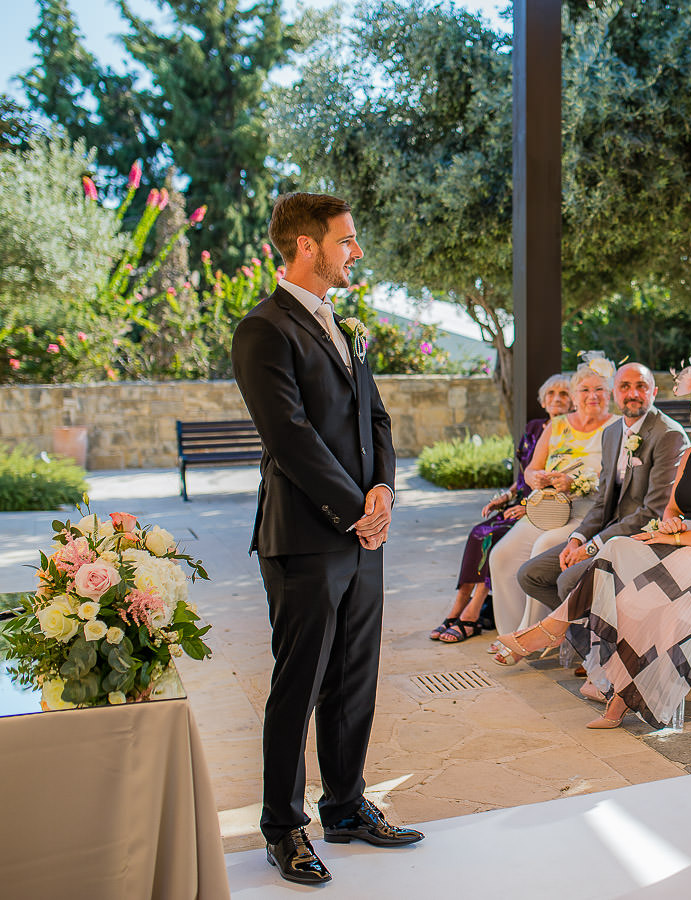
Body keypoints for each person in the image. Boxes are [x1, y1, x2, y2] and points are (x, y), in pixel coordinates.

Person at [231, 192, 421, 886]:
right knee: (299, 684)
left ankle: (345, 807)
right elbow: (289, 438)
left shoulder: (343, 325)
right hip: (304, 537)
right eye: (346, 240)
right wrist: (353, 508)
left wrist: (384, 492)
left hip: (361, 535)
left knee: (353, 678)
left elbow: (376, 416)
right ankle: (283, 828)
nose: (355, 251)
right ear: (306, 246)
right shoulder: (262, 330)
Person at [490, 359, 691, 729]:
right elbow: (670, 505)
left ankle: (578, 655)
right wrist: (665, 526)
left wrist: (674, 534)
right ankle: (604, 675)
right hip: (673, 540)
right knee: (609, 556)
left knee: (623, 587)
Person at [516, 362, 689, 617]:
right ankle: (592, 635)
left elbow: (653, 512)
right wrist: (576, 539)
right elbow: (601, 502)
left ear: (653, 392)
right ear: (615, 393)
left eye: (641, 386)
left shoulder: (668, 434)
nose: (633, 393)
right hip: (607, 530)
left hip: (639, 538)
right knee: (531, 574)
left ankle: (596, 643)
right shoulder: (611, 433)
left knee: (568, 581)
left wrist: (590, 547)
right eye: (625, 386)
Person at [430, 373, 573, 642]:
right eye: (551, 394)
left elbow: (561, 484)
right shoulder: (533, 428)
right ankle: (459, 606)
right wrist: (505, 497)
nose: (556, 399)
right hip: (518, 503)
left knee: (492, 538)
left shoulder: (572, 433)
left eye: (563, 394)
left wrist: (529, 508)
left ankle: (471, 613)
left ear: (573, 400)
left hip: (543, 510)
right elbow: (522, 477)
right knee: (477, 532)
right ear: (543, 402)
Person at [487, 357, 616, 637]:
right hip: (549, 508)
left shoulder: (616, 427)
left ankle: (534, 633)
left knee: (543, 547)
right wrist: (536, 478)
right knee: (502, 555)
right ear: (574, 395)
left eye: (600, 390)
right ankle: (509, 633)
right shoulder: (556, 424)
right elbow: (532, 468)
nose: (592, 396)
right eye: (584, 389)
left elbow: (617, 480)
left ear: (610, 394)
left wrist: (576, 483)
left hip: (588, 512)